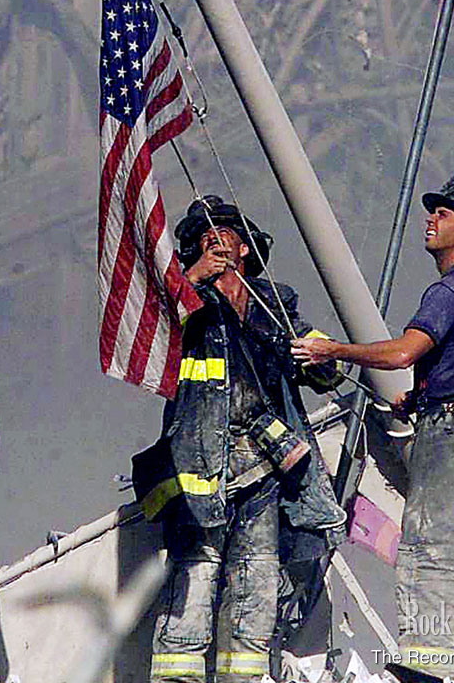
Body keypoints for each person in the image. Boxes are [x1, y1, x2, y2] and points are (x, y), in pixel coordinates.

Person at [291, 168, 454, 683]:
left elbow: (405, 351)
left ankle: (424, 664)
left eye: (443, 213)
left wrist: (331, 348)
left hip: (453, 438)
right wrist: (422, 396)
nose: (431, 219)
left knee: (430, 549)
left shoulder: (448, 291)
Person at [133, 196, 347, 683]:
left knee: (256, 585)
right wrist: (191, 280)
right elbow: (150, 330)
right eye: (202, 237)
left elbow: (324, 372)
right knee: (196, 578)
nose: (212, 238)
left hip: (266, 470)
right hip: (200, 467)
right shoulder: (185, 305)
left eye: (223, 231)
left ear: (246, 248)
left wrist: (325, 358)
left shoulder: (275, 306)